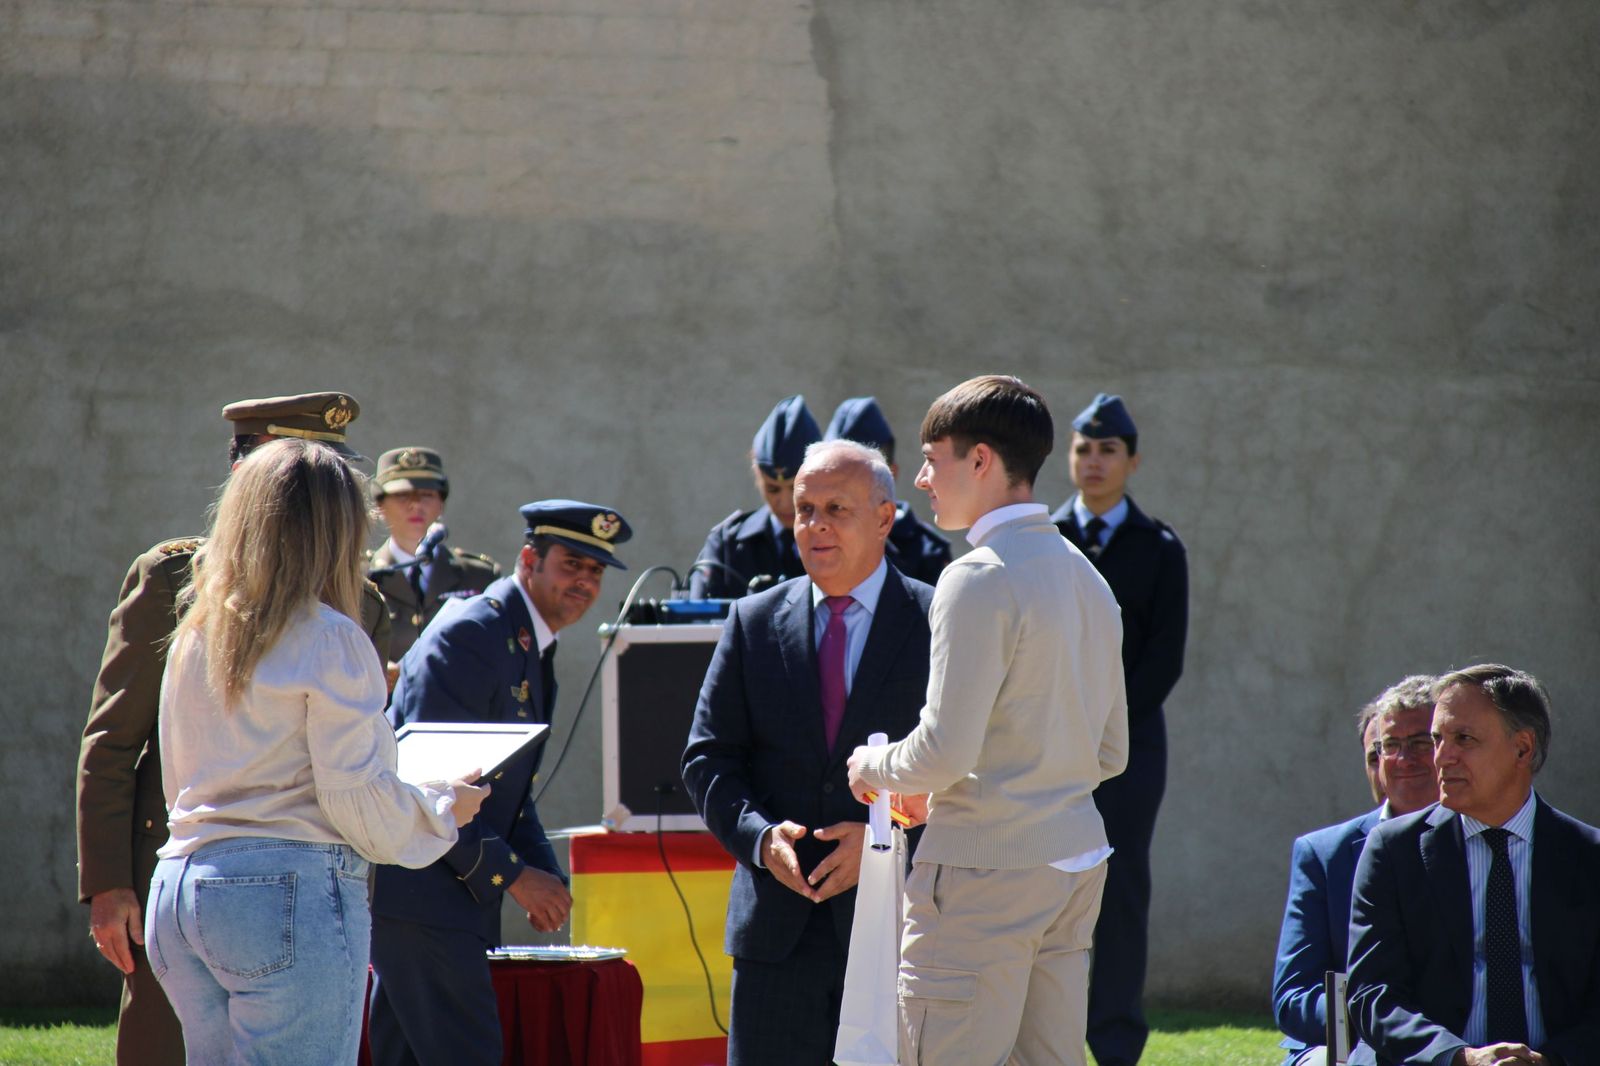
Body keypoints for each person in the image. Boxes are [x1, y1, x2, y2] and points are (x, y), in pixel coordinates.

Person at [144, 438, 488, 1065]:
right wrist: (442, 807)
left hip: (179, 888)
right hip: (284, 890)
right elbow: (355, 799)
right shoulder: (331, 638)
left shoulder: (193, 633)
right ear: (338, 530)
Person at [75, 391, 392, 1066]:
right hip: (184, 865)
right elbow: (113, 743)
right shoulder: (174, 577)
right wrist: (109, 884)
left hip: (299, 873)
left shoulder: (359, 600)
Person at [848, 374, 1128, 1066]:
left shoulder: (977, 576)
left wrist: (868, 766)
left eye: (931, 457)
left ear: (980, 461)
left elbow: (942, 755)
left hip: (983, 872)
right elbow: (1112, 750)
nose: (919, 479)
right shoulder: (1088, 577)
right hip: (1072, 863)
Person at [682, 439, 935, 1066]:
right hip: (776, 932)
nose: (815, 526)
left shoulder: (939, 619)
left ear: (884, 517)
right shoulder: (752, 620)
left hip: (899, 928)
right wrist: (762, 840)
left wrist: (888, 841)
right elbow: (707, 759)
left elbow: (972, 768)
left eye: (836, 509)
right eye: (804, 509)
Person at [368, 500, 633, 1066]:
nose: (584, 581)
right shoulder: (475, 633)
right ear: (529, 558)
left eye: (596, 571)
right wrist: (514, 875)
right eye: (571, 564)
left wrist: (544, 872)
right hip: (422, 891)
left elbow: (508, 786)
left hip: (441, 893)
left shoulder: (525, 640)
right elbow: (429, 782)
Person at [1348, 665, 1600, 1066]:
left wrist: (1548, 1061)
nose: (1441, 758)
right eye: (1437, 739)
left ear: (1522, 748)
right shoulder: (1394, 851)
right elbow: (1374, 996)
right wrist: (1460, 1057)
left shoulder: (1588, 857)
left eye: (1463, 739)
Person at [1048, 391, 1187, 1066]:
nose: (1093, 462)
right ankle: (1042, 1037)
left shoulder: (1159, 548)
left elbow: (1164, 657)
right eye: (1082, 449)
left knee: (1120, 890)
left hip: (1129, 752)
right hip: (1044, 747)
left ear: (1133, 461)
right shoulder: (1044, 540)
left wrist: (1100, 731)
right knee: (1040, 885)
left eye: (1108, 450)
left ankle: (1114, 1045)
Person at [1272, 676, 1438, 1066]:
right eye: (1390, 746)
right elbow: (1293, 998)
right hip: (1346, 1046)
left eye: (1420, 743)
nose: (1403, 759)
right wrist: (1384, 1017)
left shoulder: (1484, 841)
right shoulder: (1325, 854)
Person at [366, 446, 500, 682]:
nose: (416, 505)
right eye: (402, 495)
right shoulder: (357, 575)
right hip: (382, 713)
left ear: (441, 504)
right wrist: (373, 668)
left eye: (427, 494)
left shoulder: (480, 576)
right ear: (380, 506)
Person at [690, 395, 821, 598]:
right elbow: (697, 622)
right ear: (756, 474)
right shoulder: (728, 543)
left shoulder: (839, 537)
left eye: (795, 489)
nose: (785, 502)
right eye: (772, 489)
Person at [822, 396, 952, 585]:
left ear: (890, 473)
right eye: (832, 474)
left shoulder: (925, 552)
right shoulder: (807, 536)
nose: (842, 488)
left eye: (857, 476)